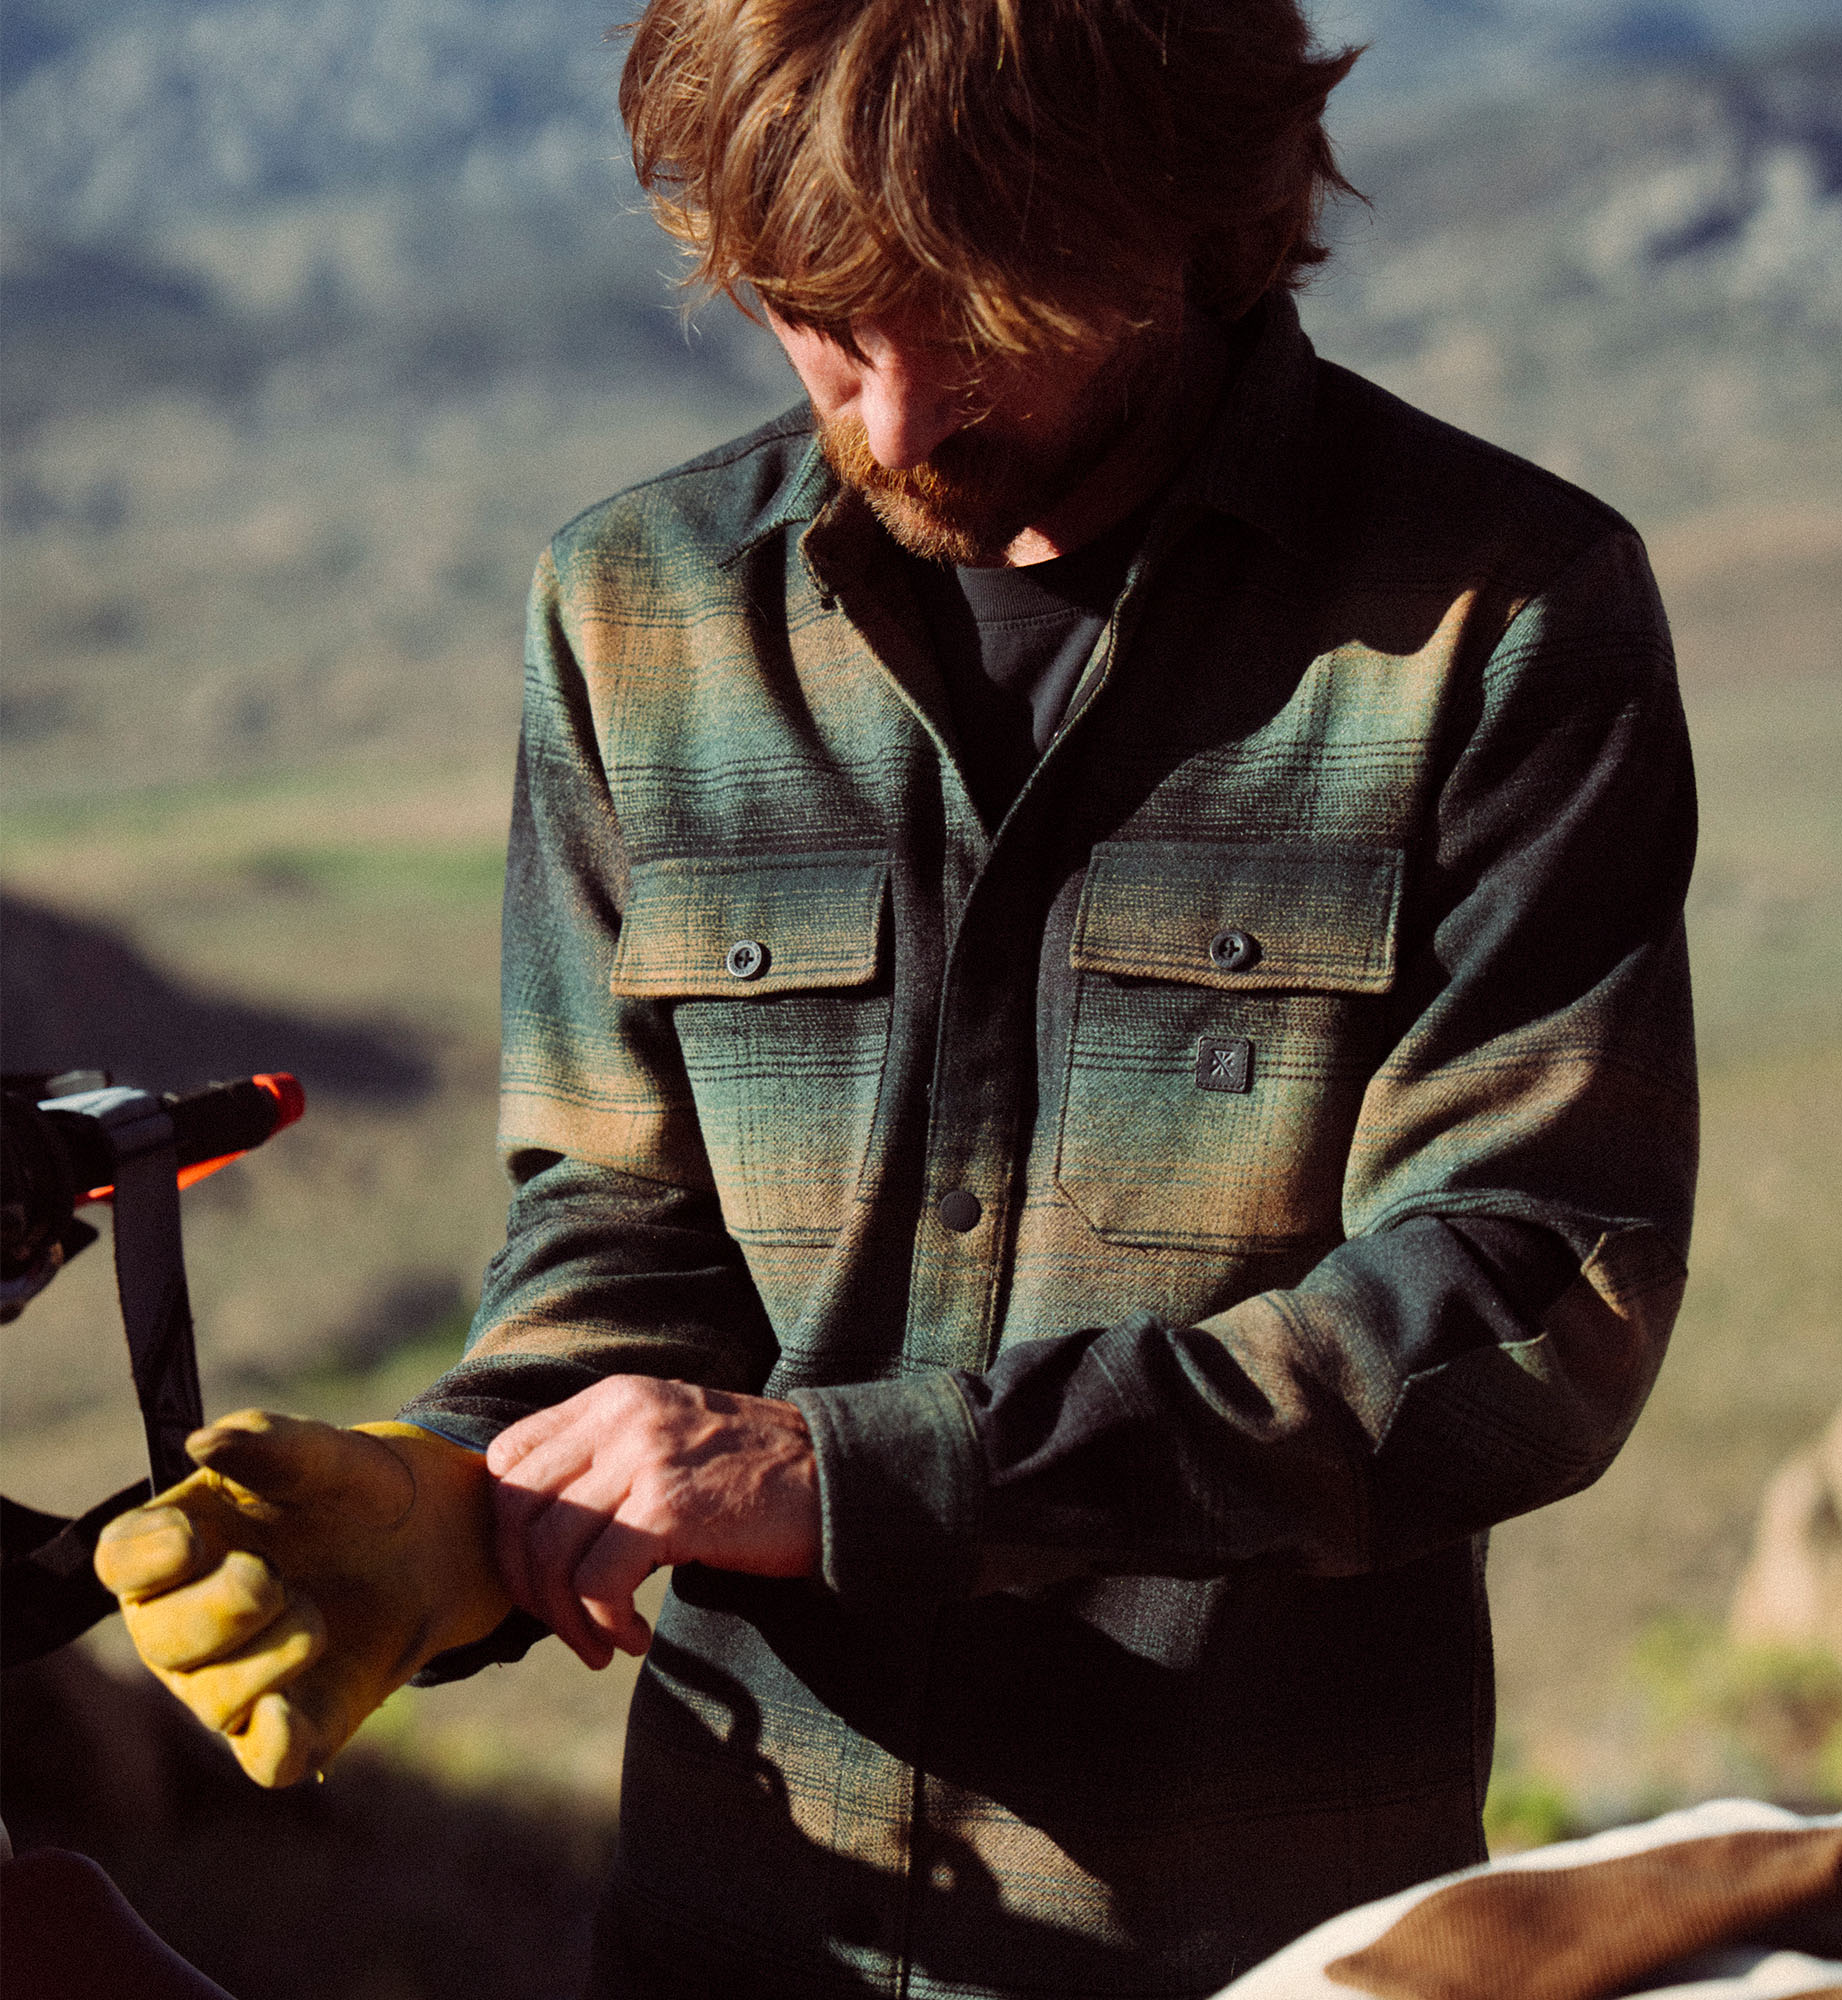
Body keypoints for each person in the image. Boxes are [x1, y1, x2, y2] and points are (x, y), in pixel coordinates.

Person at [96, 2, 1700, 1994]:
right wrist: (469, 1500)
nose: (893, 417)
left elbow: (1525, 1302)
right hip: (738, 1936)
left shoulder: (1499, 616)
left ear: (1186, 215)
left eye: (982, 317)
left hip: (1267, 1948)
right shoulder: (636, 614)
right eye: (815, 316)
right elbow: (620, 1226)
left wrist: (854, 1473)